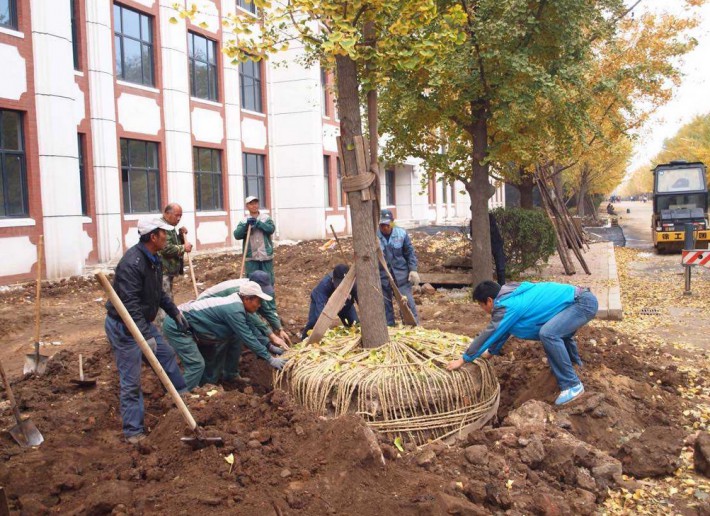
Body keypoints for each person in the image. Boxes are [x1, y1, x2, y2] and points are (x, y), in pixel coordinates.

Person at [104, 216, 192, 444]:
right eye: (163, 233)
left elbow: (158, 293)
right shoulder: (131, 264)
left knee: (166, 355)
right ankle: (133, 432)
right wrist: (144, 336)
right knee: (131, 381)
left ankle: (184, 398)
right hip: (125, 327)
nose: (167, 236)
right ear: (153, 236)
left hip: (142, 322)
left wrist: (175, 313)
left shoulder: (154, 258)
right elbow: (129, 305)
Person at [446, 280, 598, 405]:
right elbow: (504, 330)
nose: (483, 309)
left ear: (489, 301)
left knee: (549, 333)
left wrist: (464, 359)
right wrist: (491, 352)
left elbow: (490, 333)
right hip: (579, 299)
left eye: (481, 305)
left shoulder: (507, 306)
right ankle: (574, 365)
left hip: (581, 303)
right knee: (556, 332)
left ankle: (572, 385)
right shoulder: (509, 294)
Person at [163, 281, 287, 390]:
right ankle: (180, 397)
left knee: (209, 360)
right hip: (178, 325)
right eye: (258, 301)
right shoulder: (234, 310)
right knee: (196, 365)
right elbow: (247, 336)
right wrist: (269, 358)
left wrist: (269, 346)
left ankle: (203, 390)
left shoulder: (240, 305)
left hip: (195, 329)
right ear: (247, 299)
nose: (259, 305)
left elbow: (252, 329)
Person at [197, 271, 291, 349]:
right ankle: (225, 368)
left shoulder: (252, 291)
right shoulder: (242, 291)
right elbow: (251, 316)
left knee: (239, 333)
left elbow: (267, 310)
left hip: (223, 311)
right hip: (205, 310)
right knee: (232, 336)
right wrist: (272, 336)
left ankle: (231, 368)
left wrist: (279, 329)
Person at [377, 209, 419, 326]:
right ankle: (389, 328)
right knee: (385, 306)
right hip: (383, 276)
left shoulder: (401, 234)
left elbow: (409, 253)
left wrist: (413, 270)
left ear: (392, 222)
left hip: (401, 275)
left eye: (387, 224)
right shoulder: (374, 237)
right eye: (382, 225)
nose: (385, 227)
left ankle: (412, 327)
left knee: (407, 303)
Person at [156, 203, 192, 325]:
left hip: (169, 270)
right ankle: (163, 327)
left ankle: (168, 324)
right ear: (167, 214)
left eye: (180, 216)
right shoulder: (161, 227)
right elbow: (165, 248)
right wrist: (183, 247)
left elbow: (172, 242)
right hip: (162, 270)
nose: (178, 218)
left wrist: (181, 236)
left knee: (168, 297)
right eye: (177, 215)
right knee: (164, 299)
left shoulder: (170, 227)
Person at [301, 264, 359, 340]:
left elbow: (361, 303)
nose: (340, 287)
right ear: (333, 279)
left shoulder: (353, 284)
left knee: (355, 324)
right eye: (338, 285)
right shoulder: (324, 285)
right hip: (323, 301)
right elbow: (320, 311)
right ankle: (304, 340)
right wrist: (323, 330)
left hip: (344, 302)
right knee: (314, 322)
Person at [233, 196, 276, 283]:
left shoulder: (266, 218)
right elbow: (237, 235)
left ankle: (268, 295)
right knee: (252, 281)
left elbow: (271, 229)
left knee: (268, 279)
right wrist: (246, 226)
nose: (254, 205)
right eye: (251, 204)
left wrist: (258, 223)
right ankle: (254, 296)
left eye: (255, 203)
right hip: (251, 257)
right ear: (247, 206)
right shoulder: (244, 221)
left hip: (265, 255)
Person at [471, 213, 506, 286]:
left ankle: (502, 285)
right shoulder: (473, 222)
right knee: (484, 268)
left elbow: (492, 230)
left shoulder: (490, 217)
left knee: (500, 268)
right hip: (483, 247)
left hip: (496, 244)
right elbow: (472, 234)